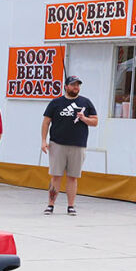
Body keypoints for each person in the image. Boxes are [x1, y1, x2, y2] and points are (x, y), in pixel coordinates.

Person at [40, 76, 98, 216]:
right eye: (73, 85)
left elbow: (95, 121)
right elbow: (46, 122)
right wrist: (43, 140)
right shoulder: (56, 103)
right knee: (56, 176)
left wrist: (84, 118)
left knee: (73, 177)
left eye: (78, 85)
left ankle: (71, 206)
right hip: (57, 143)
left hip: (78, 145)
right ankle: (50, 205)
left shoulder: (85, 102)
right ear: (66, 86)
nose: (76, 87)